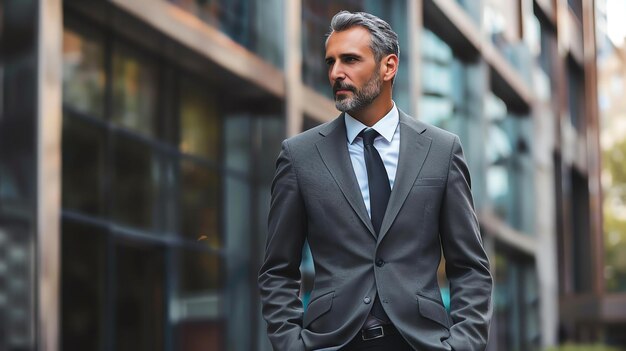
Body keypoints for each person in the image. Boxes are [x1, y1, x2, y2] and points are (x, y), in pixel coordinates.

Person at [258, 10, 492, 351]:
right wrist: (291, 345)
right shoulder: (299, 156)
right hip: (333, 342)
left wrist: (463, 344)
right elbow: (278, 270)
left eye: (350, 60)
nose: (336, 72)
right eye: (331, 62)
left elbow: (470, 266)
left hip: (421, 342)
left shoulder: (441, 150)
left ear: (389, 67)